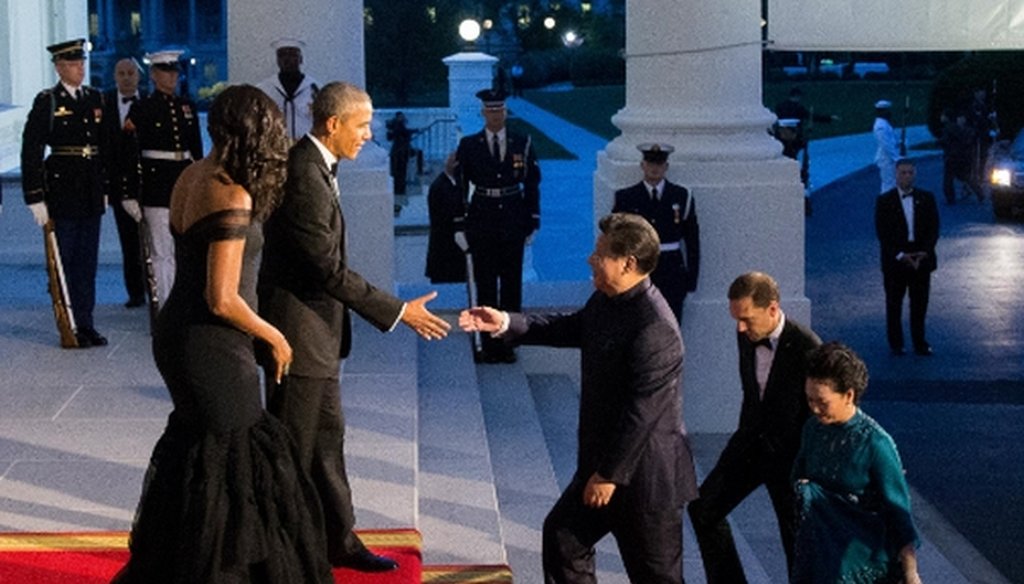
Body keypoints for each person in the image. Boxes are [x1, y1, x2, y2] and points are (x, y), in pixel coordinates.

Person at [111, 85, 334, 584]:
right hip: (210, 341)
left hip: (179, 333)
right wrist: (273, 336)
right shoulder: (231, 192)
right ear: (255, 131)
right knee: (234, 454)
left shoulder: (192, 173)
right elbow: (222, 297)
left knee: (201, 448)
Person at [258, 81, 451, 572]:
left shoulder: (318, 165)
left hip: (317, 337)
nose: (369, 133)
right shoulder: (304, 174)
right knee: (293, 451)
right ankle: (281, 553)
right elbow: (326, 269)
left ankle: (337, 541)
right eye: (362, 125)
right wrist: (398, 310)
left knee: (326, 443)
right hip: (296, 337)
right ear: (333, 124)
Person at [459, 212, 699, 584]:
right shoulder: (608, 299)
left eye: (600, 253)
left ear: (628, 263)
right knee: (563, 538)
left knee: (656, 578)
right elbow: (571, 326)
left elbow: (642, 412)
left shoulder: (655, 328)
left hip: (644, 482)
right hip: (603, 466)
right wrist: (507, 323)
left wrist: (607, 475)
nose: (591, 258)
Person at [688, 271, 821, 583]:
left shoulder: (808, 348)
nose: (740, 327)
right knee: (703, 509)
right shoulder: (746, 334)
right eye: (736, 319)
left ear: (772, 308)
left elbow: (817, 415)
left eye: (747, 318)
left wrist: (807, 469)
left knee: (796, 542)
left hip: (790, 459)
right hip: (749, 446)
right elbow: (753, 395)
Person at [791, 342, 922, 584]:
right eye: (809, 400)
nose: (815, 408)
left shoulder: (875, 443)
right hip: (819, 558)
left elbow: (898, 512)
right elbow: (797, 477)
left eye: (822, 401)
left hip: (863, 563)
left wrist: (910, 572)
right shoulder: (812, 429)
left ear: (849, 395)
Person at [20, 38, 108, 348]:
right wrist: (34, 196)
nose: (80, 69)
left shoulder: (95, 98)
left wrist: (106, 188)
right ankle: (67, 322)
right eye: (73, 64)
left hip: (90, 193)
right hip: (63, 193)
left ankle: (86, 323)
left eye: (82, 63)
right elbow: (31, 149)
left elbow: (105, 148)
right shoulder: (48, 101)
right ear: (59, 67)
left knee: (87, 264)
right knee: (65, 261)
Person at [455, 88, 541, 363]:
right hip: (483, 217)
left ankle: (509, 341)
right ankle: (489, 344)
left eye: (499, 110)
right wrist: (460, 224)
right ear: (483, 113)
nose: (495, 115)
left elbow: (531, 183)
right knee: (486, 283)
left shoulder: (522, 142)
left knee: (512, 283)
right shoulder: (469, 145)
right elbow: (461, 186)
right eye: (490, 111)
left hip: (513, 215)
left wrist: (533, 219)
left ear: (505, 112)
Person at [126, 49, 204, 309]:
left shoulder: (187, 106)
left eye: (174, 72)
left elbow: (196, 151)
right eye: (166, 72)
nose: (172, 77)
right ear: (154, 75)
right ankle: (165, 306)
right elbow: (129, 151)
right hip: (156, 185)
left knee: (185, 249)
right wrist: (130, 191)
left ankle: (184, 304)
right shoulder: (142, 108)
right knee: (161, 252)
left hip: (183, 182)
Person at [612, 143, 699, 322]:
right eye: (650, 163)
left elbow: (692, 240)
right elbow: (616, 240)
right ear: (642, 165)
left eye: (659, 164)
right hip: (638, 269)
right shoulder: (626, 197)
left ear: (666, 167)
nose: (654, 168)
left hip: (672, 271)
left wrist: (691, 278)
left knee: (670, 324)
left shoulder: (681, 196)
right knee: (639, 324)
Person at [874, 158, 939, 356]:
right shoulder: (884, 201)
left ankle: (920, 342)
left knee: (920, 304)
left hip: (921, 259)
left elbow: (933, 228)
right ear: (896, 174)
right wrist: (900, 255)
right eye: (903, 173)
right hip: (896, 261)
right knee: (894, 303)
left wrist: (924, 252)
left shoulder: (927, 198)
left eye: (910, 172)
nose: (907, 176)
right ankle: (896, 343)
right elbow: (883, 233)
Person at [102, 57, 147, 309]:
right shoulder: (104, 102)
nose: (127, 77)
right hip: (119, 185)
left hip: (147, 183)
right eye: (121, 73)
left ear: (139, 76)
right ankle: (135, 292)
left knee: (153, 240)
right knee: (128, 241)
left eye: (131, 72)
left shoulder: (149, 103)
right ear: (115, 76)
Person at [256, 37, 319, 141]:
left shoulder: (315, 88)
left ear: (301, 59)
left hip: (305, 147)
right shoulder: (264, 89)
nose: (287, 59)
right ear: (277, 60)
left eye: (292, 55)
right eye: (282, 55)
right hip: (274, 148)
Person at [426, 152, 467, 284]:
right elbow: (450, 214)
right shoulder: (440, 187)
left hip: (454, 256)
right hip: (444, 254)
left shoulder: (457, 184)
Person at [937, 108, 982, 204]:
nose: (941, 117)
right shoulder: (962, 129)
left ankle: (950, 198)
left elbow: (944, 141)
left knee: (948, 178)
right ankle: (979, 192)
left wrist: (939, 142)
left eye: (943, 115)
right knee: (965, 176)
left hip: (951, 156)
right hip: (962, 156)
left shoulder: (948, 128)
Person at [386, 111, 419, 195]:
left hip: (397, 150)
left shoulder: (393, 126)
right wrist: (415, 131)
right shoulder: (398, 125)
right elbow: (404, 132)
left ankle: (398, 188)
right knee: (400, 171)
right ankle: (399, 189)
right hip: (400, 151)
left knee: (398, 171)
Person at [873, 100, 900, 194]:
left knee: (892, 183)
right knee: (889, 184)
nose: (889, 112)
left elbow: (892, 140)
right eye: (887, 110)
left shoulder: (885, 123)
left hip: (889, 159)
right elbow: (886, 144)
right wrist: (897, 158)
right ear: (882, 111)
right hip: (886, 160)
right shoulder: (880, 126)